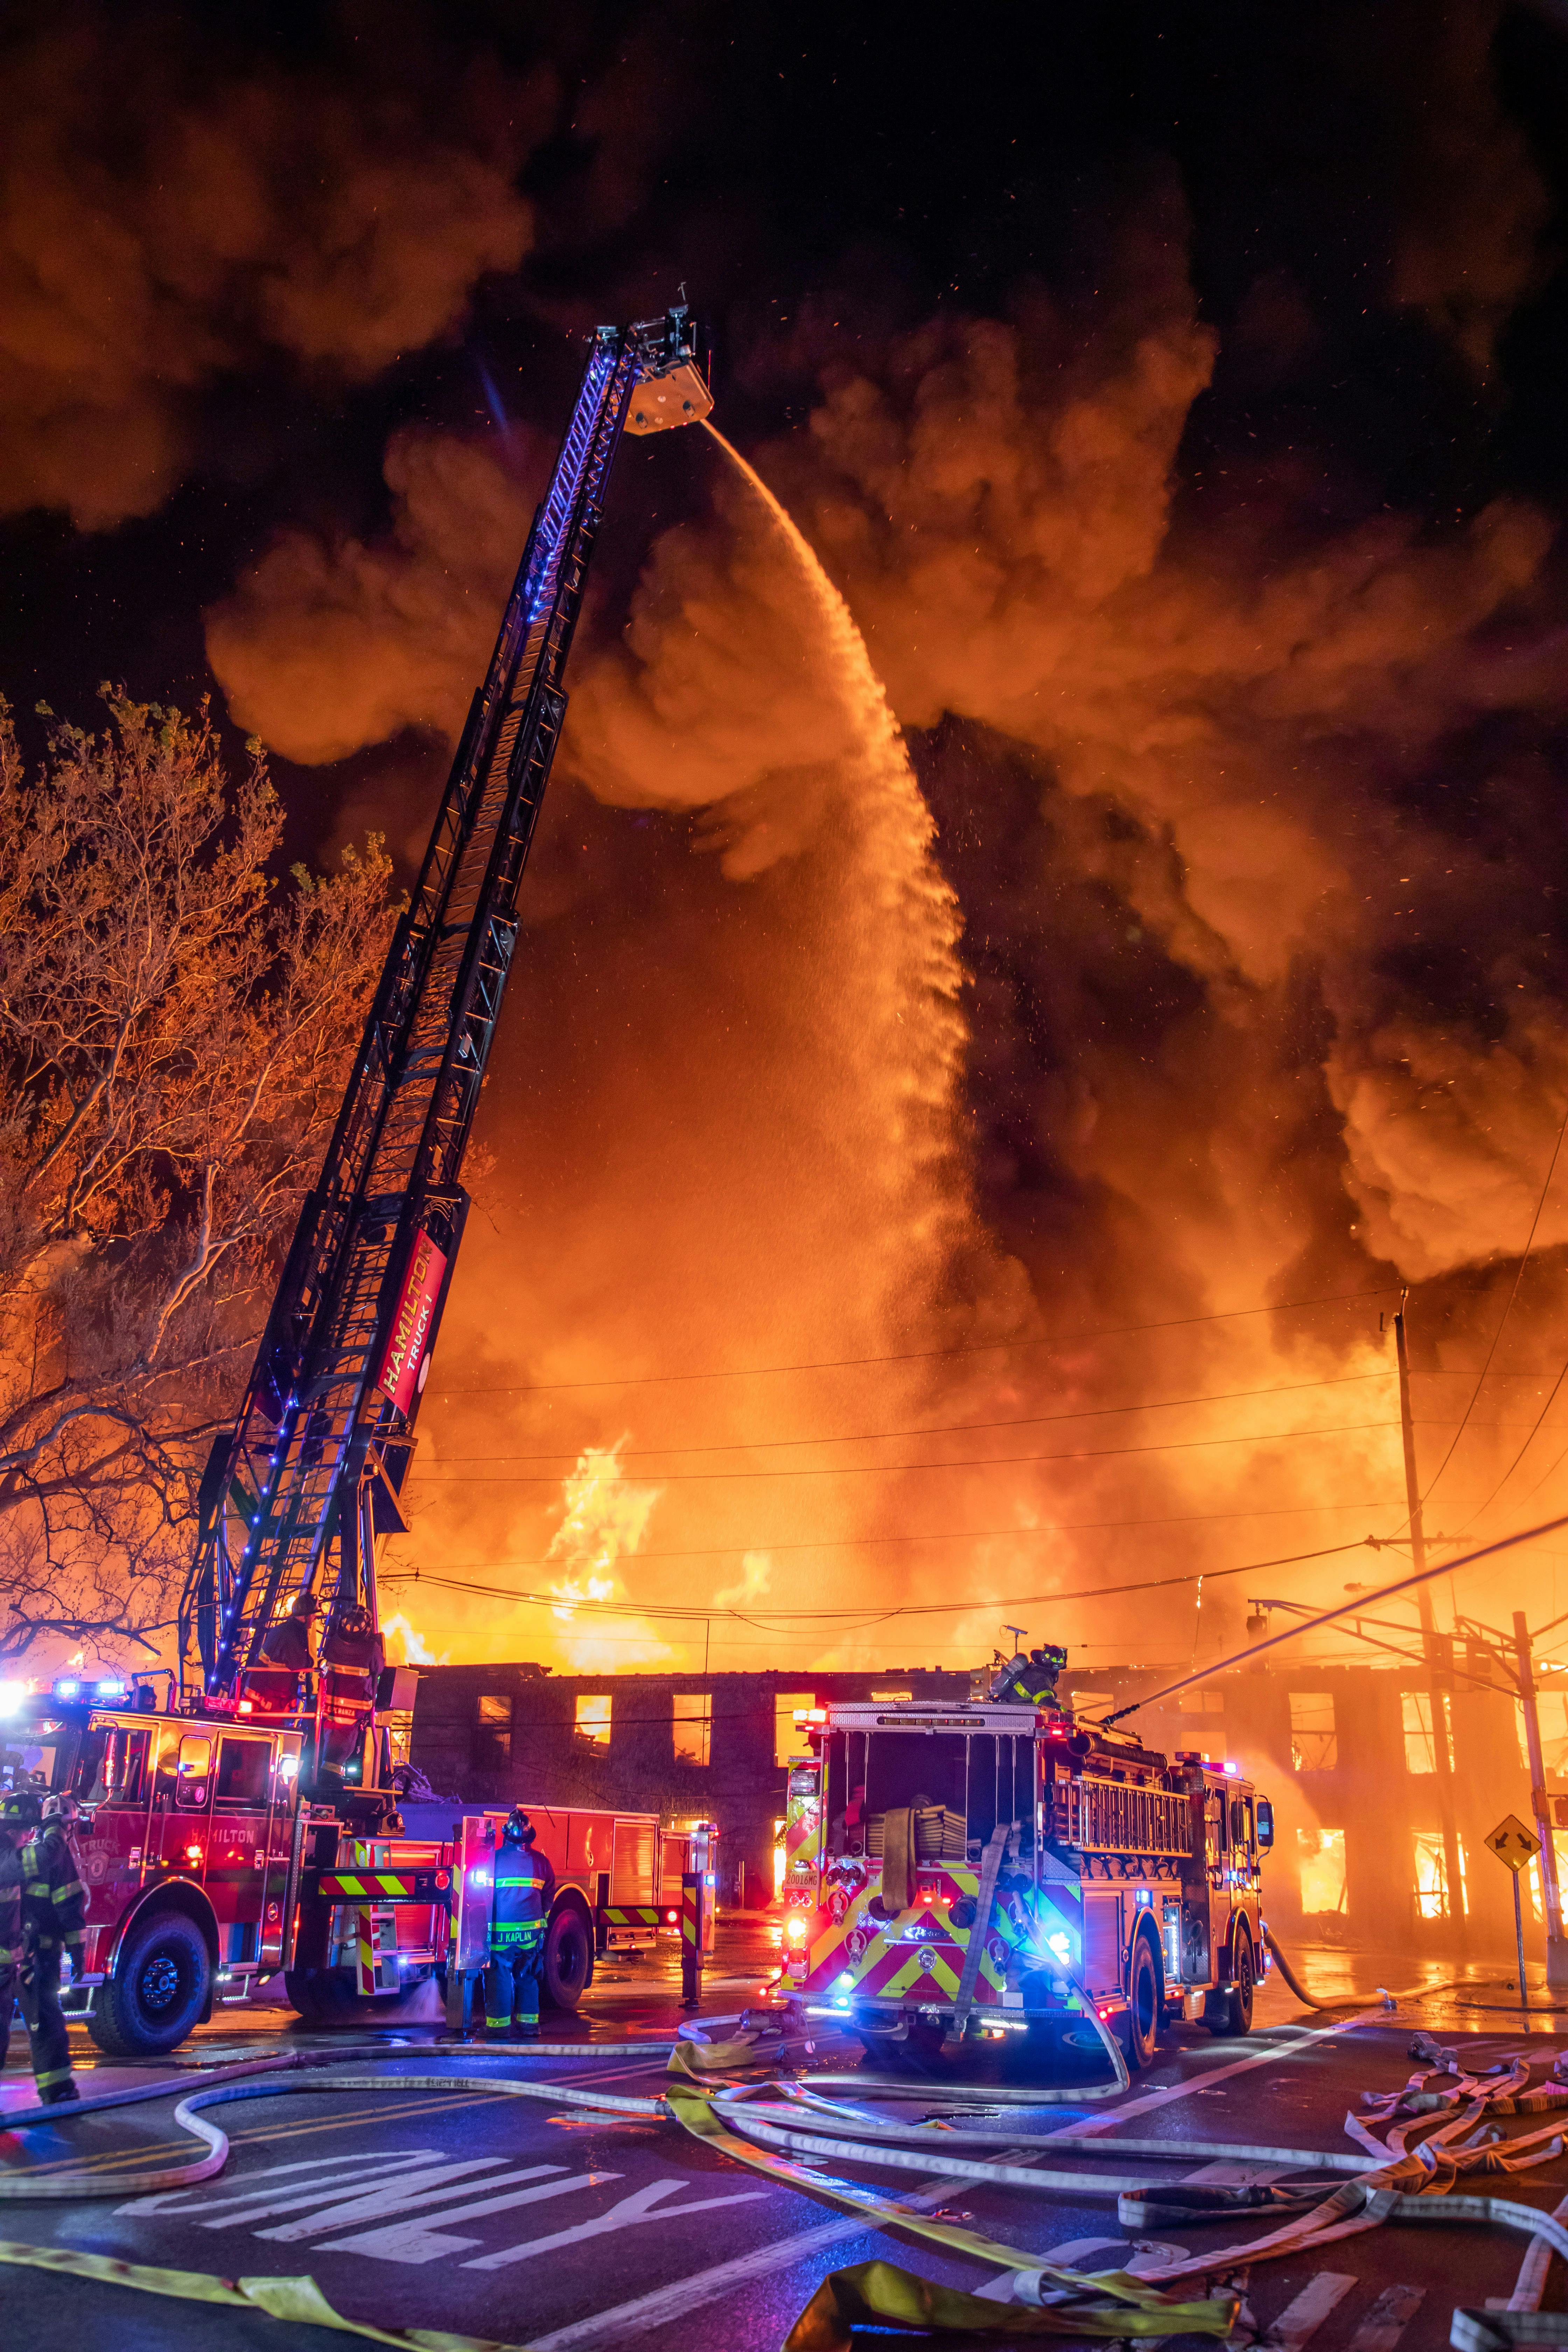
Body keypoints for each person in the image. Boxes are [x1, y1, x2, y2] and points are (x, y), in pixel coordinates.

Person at [0, 1788, 84, 2105]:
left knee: (45, 2021)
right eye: (26, 1832)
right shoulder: (15, 1855)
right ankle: (58, 2091)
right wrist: (54, 1829)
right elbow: (40, 1860)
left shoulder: (27, 1854)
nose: (28, 1837)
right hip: (21, 1956)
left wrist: (77, 1949)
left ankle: (57, 2089)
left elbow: (68, 1902)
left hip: (29, 1954)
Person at [484, 1808, 554, 2040]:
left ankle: (499, 2027)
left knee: (500, 1975)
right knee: (527, 1974)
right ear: (530, 1836)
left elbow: (482, 1896)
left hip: (501, 1934)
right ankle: (529, 2026)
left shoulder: (493, 1860)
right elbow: (548, 1897)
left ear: (505, 1834)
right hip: (530, 1934)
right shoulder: (541, 1862)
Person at [259, 1590, 319, 1672]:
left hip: (266, 1680)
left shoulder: (286, 1628)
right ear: (304, 1616)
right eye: (313, 1615)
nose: (315, 1619)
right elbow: (297, 1663)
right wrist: (312, 1661)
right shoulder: (293, 1633)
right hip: (273, 1681)